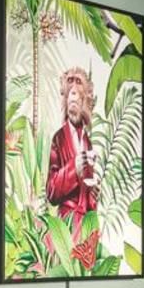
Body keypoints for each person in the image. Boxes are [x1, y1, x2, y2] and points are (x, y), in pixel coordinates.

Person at [45, 67, 100, 226]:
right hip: (67, 226)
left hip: (85, 227)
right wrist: (73, 169)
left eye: (78, 82)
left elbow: (86, 197)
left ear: (87, 96)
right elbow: (51, 192)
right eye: (70, 82)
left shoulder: (87, 142)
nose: (73, 92)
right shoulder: (59, 139)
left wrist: (93, 195)